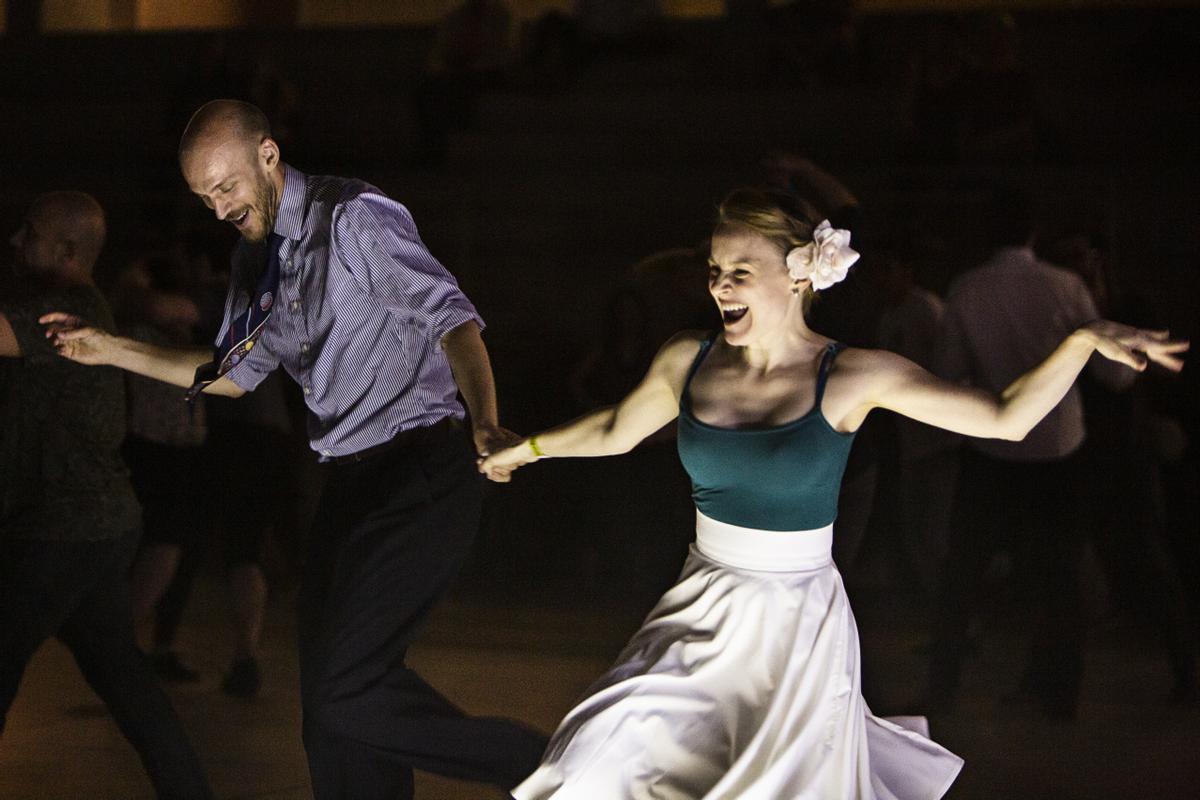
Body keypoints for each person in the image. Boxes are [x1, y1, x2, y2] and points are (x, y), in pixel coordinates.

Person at [479, 188, 1187, 798]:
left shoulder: (852, 376)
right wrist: (530, 447)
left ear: (795, 274)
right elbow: (615, 428)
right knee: (602, 752)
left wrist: (1083, 341)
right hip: (700, 603)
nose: (720, 287)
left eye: (739, 273)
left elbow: (1006, 417)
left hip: (799, 623)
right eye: (715, 272)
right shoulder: (684, 358)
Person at [41, 100, 546, 800]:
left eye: (225, 187)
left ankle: (544, 770)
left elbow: (453, 320)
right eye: (202, 197)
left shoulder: (355, 217)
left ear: (268, 156)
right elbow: (229, 375)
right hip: (347, 484)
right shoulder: (256, 263)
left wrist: (486, 421)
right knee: (329, 719)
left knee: (349, 691)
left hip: (420, 469)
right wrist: (107, 349)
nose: (217, 209)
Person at [0, 192, 212, 799]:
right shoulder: (57, 301)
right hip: (89, 528)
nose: (16, 241)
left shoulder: (67, 306)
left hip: (62, 531)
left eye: (29, 231)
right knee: (125, 680)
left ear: (67, 249)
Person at [926, 193, 1144, 721]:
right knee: (1060, 579)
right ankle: (1059, 696)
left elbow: (948, 369)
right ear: (1034, 232)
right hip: (1057, 449)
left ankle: (942, 692)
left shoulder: (966, 287)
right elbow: (1113, 374)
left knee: (959, 576)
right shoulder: (1065, 286)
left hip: (989, 449)